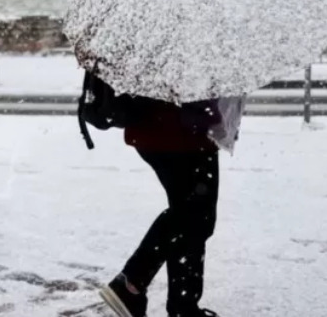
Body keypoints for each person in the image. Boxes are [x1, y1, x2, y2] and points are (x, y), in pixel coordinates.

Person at [99, 96, 244, 317]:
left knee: (190, 218)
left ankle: (175, 303)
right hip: (180, 132)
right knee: (195, 217)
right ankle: (133, 284)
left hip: (162, 129)